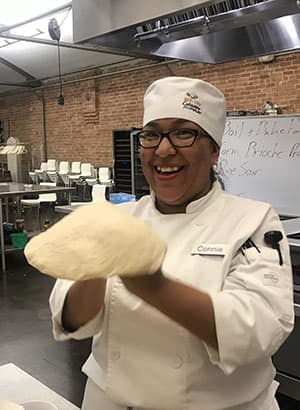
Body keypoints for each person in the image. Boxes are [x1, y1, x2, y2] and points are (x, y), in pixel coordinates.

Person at [49, 76, 294, 410]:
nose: (163, 149)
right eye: (151, 134)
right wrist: (96, 268)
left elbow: (259, 329)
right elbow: (71, 319)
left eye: (184, 132)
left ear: (214, 151)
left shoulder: (254, 222)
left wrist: (152, 285)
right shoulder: (117, 219)